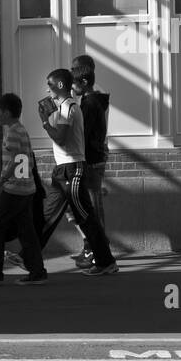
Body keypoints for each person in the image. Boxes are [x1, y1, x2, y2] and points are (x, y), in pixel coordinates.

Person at [36, 68, 118, 276]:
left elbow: (61, 138)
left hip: (72, 169)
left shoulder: (70, 107)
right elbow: (63, 134)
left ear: (61, 85)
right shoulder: (63, 107)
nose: (48, 89)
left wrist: (45, 121)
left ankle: (105, 260)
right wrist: (49, 115)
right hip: (62, 169)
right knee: (47, 214)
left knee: (86, 217)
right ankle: (29, 255)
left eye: (51, 84)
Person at [0, 93, 47, 286]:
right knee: (27, 232)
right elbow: (23, 159)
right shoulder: (21, 130)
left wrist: (1, 181)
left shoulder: (12, 133)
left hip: (14, 189)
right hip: (26, 189)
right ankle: (37, 271)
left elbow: (15, 160)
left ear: (6, 113)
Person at [70, 64, 111, 268]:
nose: (72, 87)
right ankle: (95, 248)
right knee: (91, 207)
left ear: (84, 82)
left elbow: (82, 133)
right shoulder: (95, 100)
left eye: (74, 83)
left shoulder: (90, 103)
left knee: (91, 208)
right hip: (95, 158)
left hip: (90, 160)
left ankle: (98, 250)